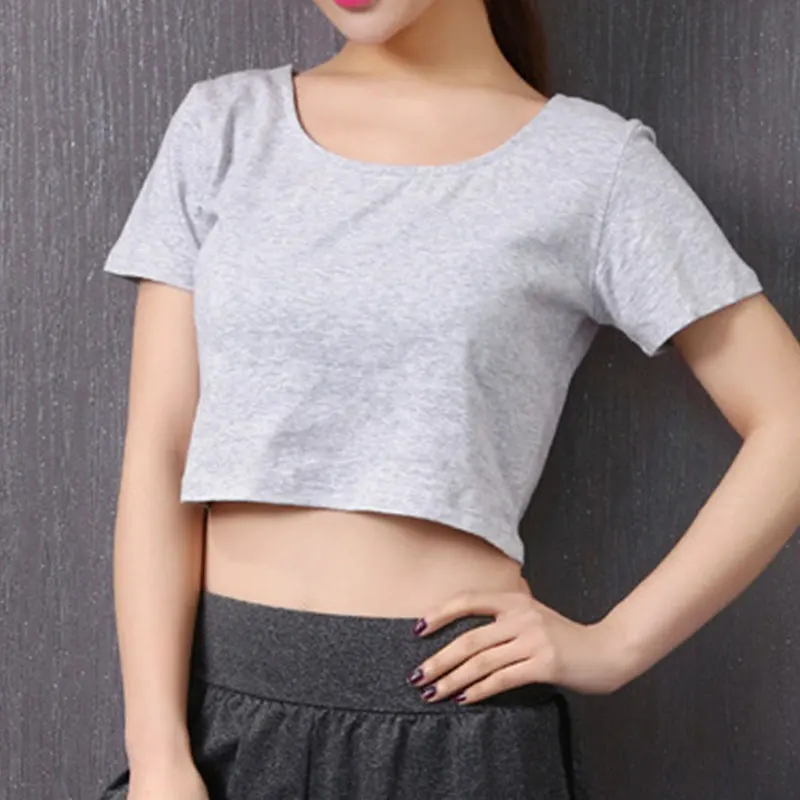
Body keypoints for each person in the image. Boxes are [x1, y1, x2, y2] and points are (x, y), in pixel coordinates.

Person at [97, 0, 800, 798]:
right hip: (217, 729)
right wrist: (157, 750)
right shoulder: (223, 126)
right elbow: (160, 452)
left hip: (453, 729)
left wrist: (614, 647)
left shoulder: (591, 165)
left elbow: (788, 417)